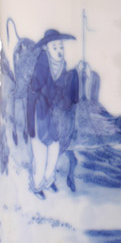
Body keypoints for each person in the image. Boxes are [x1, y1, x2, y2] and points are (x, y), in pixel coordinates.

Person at [26, 29, 79, 197]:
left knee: (54, 147)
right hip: (39, 113)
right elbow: (37, 87)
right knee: (40, 150)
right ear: (47, 49)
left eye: (60, 47)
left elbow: (61, 90)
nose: (59, 50)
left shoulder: (61, 66)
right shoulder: (42, 64)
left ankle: (48, 180)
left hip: (52, 114)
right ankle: (37, 185)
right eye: (54, 47)